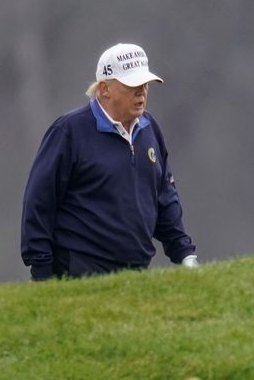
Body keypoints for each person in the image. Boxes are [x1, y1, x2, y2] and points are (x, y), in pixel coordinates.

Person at [21, 43, 199, 280]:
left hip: (136, 271)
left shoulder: (149, 129)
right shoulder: (69, 131)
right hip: (78, 270)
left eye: (145, 85)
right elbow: (40, 200)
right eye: (132, 86)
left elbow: (163, 196)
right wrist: (41, 268)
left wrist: (184, 253)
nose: (142, 92)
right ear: (105, 89)